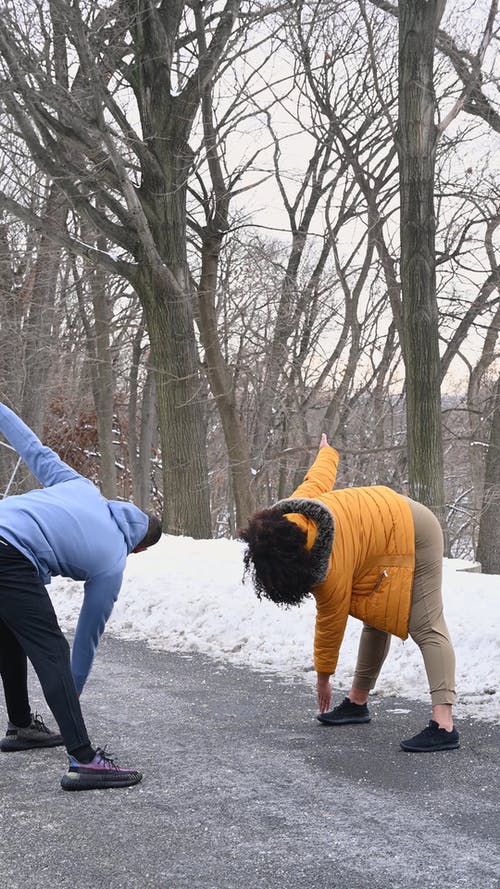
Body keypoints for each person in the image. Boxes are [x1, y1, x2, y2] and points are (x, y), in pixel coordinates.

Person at [240, 434, 459, 753]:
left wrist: (323, 678)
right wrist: (327, 453)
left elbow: (330, 624)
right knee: (377, 617)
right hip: (383, 531)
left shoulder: (329, 569)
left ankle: (444, 724)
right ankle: (358, 703)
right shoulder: (296, 514)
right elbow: (317, 477)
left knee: (426, 624)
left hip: (415, 531)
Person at [0, 401, 162, 790]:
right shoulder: (112, 562)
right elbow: (85, 640)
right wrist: (69, 695)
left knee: (10, 630)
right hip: (9, 552)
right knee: (51, 649)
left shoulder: (80, 486)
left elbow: (32, 448)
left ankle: (21, 726)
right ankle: (84, 759)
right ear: (138, 548)